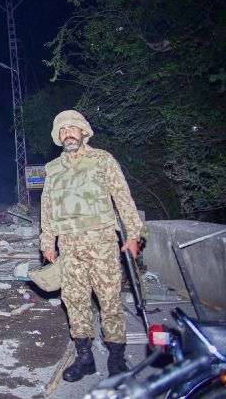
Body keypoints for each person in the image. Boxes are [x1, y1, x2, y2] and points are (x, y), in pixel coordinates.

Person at [39, 110, 145, 382]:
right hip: (69, 247)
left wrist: (133, 235)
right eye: (63, 130)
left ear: (83, 132)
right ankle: (84, 358)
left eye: (72, 128)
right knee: (74, 302)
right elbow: (47, 209)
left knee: (109, 300)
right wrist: (47, 242)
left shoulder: (102, 160)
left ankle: (116, 358)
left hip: (102, 244)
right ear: (58, 136)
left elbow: (123, 198)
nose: (68, 134)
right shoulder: (53, 169)